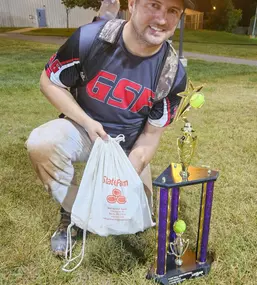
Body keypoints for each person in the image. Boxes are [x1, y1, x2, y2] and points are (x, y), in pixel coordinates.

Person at [26, 0, 194, 257]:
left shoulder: (172, 74)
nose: (162, 19)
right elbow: (49, 82)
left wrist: (123, 177)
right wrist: (86, 122)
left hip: (127, 147)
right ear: (133, 4)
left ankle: (106, 203)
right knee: (42, 143)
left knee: (136, 220)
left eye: (172, 11)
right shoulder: (91, 39)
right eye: (154, 5)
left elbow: (149, 138)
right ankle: (72, 215)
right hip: (84, 129)